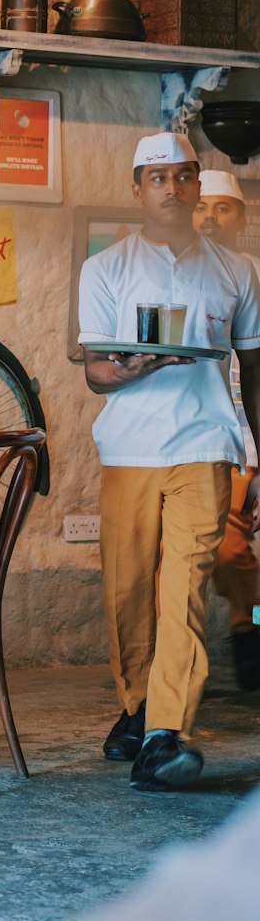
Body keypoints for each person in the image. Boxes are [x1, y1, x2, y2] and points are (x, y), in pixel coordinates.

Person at [78, 133, 260, 792]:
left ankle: (163, 734)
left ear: (196, 185)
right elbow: (96, 370)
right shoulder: (106, 270)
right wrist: (132, 367)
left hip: (206, 446)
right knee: (128, 593)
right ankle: (136, 707)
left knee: (182, 592)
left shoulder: (238, 272)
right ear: (137, 188)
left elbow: (255, 370)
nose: (173, 189)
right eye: (158, 178)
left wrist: (258, 454)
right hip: (129, 448)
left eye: (184, 176)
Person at [193, 169, 260, 690]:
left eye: (223, 208)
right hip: (201, 437)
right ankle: (248, 631)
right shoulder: (183, 273)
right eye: (203, 207)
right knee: (226, 550)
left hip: (248, 440)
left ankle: (250, 633)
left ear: (241, 217)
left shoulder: (254, 275)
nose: (211, 217)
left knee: (234, 549)